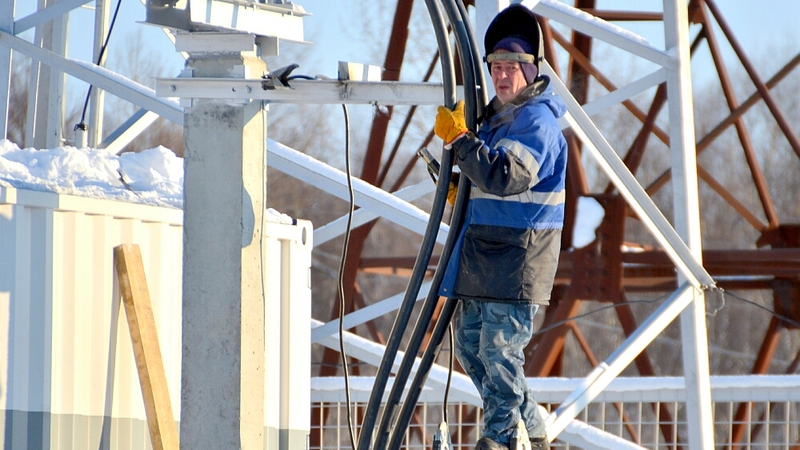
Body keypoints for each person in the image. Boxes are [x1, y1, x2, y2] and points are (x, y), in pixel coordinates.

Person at [432, 4, 567, 450]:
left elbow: (507, 176)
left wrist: (461, 142)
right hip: (485, 254)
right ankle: (533, 428)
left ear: (530, 71)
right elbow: (488, 180)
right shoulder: (495, 120)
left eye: (511, 67)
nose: (502, 76)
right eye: (495, 67)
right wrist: (460, 188)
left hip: (517, 259)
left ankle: (502, 437)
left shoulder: (537, 122)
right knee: (472, 347)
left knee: (501, 350)